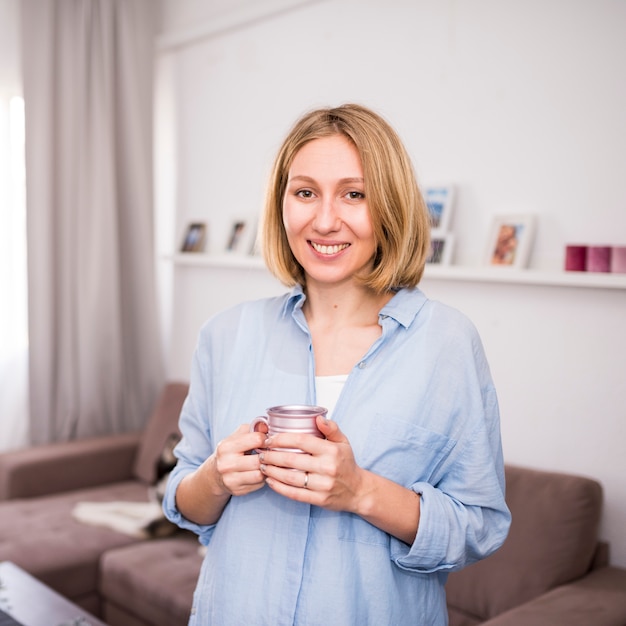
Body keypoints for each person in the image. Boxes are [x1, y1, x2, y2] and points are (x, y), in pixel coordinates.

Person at [163, 103, 511, 626]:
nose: (325, 220)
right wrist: (215, 476)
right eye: (305, 192)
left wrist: (362, 491)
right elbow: (184, 500)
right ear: (281, 205)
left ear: (389, 205)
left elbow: (479, 525)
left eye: (355, 194)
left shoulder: (446, 343)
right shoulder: (225, 335)